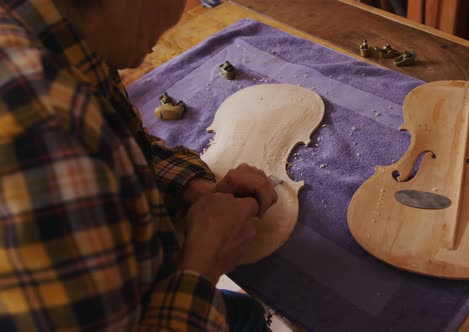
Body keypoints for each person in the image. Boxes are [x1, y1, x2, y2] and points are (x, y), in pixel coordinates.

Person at [0, 0, 278, 330]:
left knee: (245, 312)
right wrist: (203, 262)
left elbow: (120, 143)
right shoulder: (44, 131)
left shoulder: (62, 35)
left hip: (144, 283)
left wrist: (193, 188)